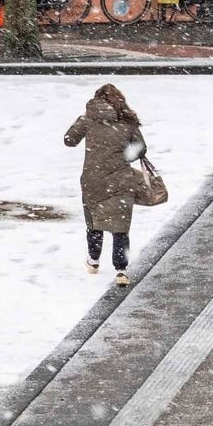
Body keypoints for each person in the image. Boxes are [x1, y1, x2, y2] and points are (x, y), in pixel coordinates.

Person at [64, 84, 147, 287]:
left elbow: (69, 140)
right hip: (121, 180)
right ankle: (121, 270)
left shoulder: (88, 120)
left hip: (93, 179)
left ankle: (93, 262)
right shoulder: (128, 122)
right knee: (120, 226)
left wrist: (83, 123)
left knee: (94, 222)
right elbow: (141, 149)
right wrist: (122, 157)